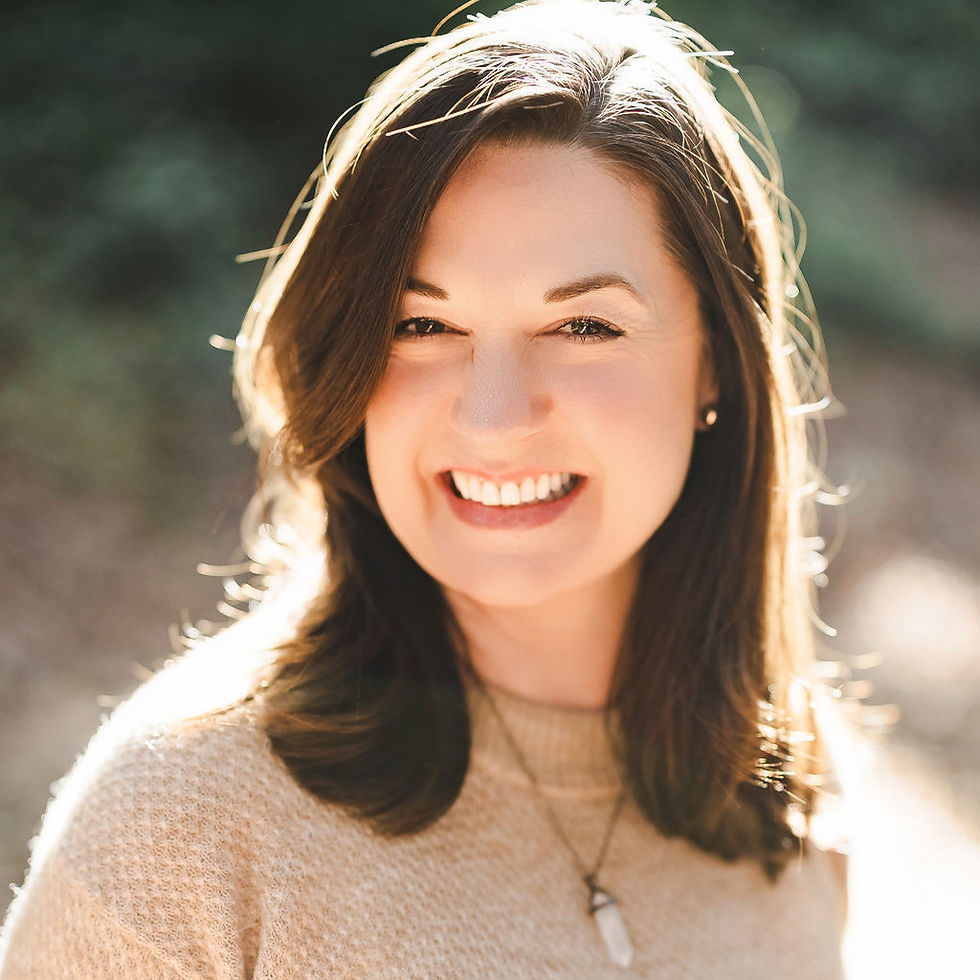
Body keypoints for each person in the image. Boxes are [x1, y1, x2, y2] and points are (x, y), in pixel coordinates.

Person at [0, 0, 850, 975]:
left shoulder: (785, 784)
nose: (491, 416)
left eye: (582, 328)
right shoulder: (188, 817)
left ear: (716, 364)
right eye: (420, 326)